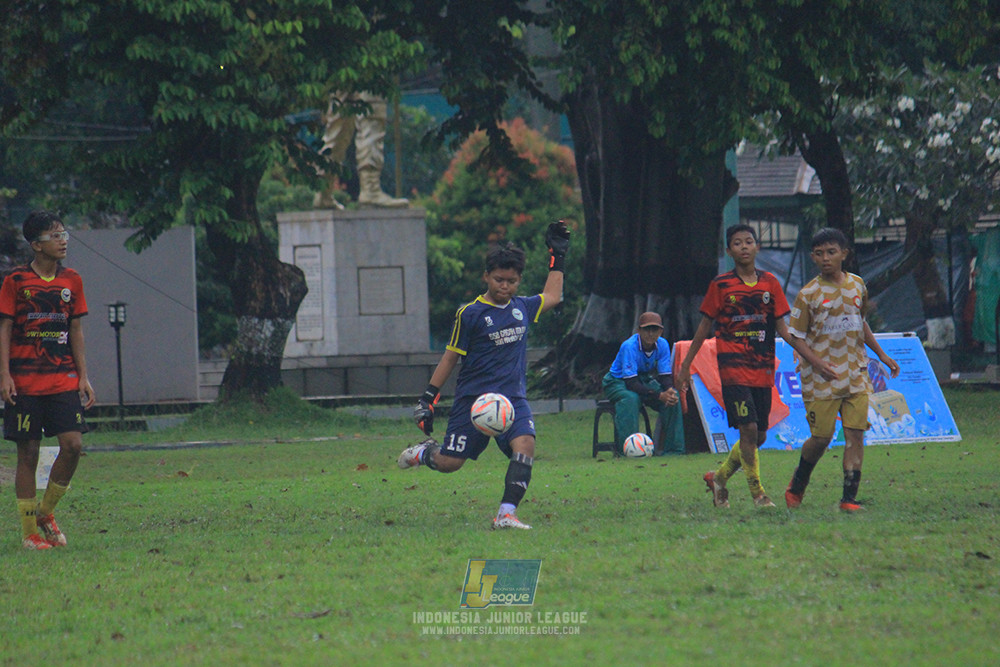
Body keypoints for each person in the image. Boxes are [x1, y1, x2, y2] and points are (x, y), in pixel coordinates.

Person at [396, 222, 570, 530]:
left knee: (525, 445)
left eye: (512, 281)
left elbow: (553, 295)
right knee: (450, 463)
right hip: (473, 403)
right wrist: (427, 399)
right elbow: (451, 356)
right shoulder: (471, 314)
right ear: (486, 277)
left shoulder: (523, 307)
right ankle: (424, 452)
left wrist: (558, 256)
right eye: (499, 280)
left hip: (512, 400)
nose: (505, 286)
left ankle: (506, 514)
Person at [675, 224, 836, 509]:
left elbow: (785, 331)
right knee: (748, 428)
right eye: (737, 243)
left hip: (762, 369)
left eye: (749, 241)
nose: (744, 247)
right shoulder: (721, 285)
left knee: (759, 435)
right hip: (733, 368)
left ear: (757, 247)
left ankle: (720, 478)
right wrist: (686, 365)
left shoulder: (770, 283)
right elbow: (704, 327)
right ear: (729, 251)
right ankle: (759, 494)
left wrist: (815, 360)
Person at [784, 227, 900, 512]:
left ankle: (849, 498)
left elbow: (859, 323)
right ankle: (798, 483)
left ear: (844, 254)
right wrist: (818, 363)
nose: (826, 258)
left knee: (855, 433)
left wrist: (882, 355)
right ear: (813, 257)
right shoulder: (808, 294)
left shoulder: (857, 285)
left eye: (831, 252)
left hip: (855, 374)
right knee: (821, 438)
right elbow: (795, 337)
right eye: (820, 253)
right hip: (820, 379)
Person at [0, 210, 96, 549]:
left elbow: (76, 330)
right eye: (55, 235)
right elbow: (5, 328)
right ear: (36, 245)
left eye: (63, 233)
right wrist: (4, 375)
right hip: (25, 381)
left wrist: (84, 376)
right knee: (27, 454)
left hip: (62, 377)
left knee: (73, 445)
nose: (63, 240)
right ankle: (29, 534)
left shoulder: (73, 280)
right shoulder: (15, 282)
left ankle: (46, 512)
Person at [602, 312, 684, 455]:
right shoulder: (629, 346)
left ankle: (674, 450)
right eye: (647, 329)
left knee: (673, 398)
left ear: (661, 331)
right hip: (617, 381)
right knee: (631, 399)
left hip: (641, 379)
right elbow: (631, 383)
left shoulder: (663, 344)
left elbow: (664, 375)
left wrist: (669, 390)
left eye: (655, 329)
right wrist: (659, 395)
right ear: (638, 330)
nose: (651, 334)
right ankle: (628, 450)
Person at [313, 90, 408, 209]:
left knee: (338, 128)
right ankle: (370, 189)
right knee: (372, 117)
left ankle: (323, 192)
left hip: (337, 74)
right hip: (368, 73)